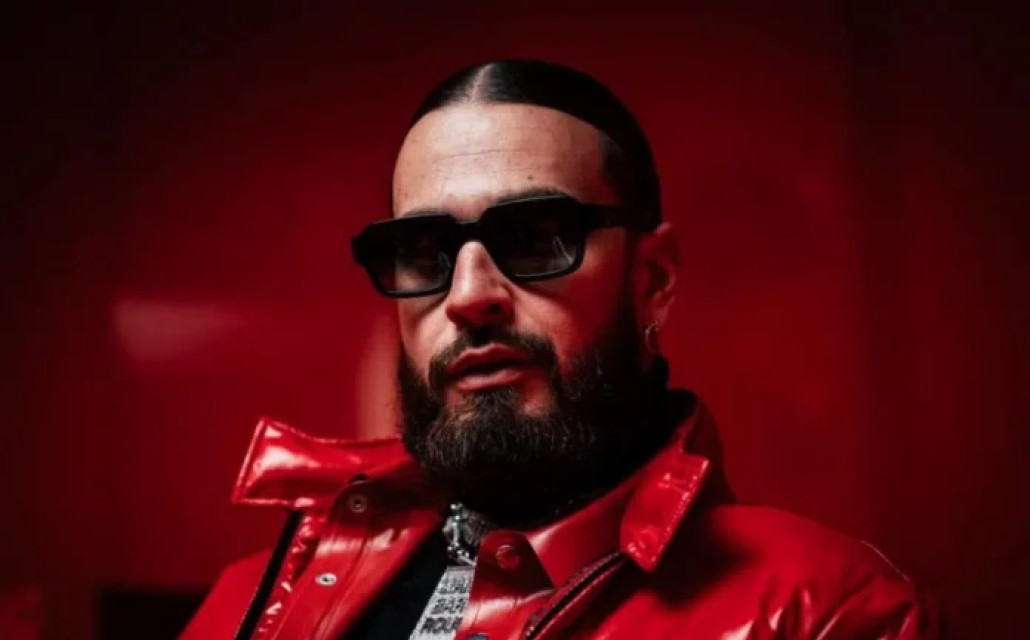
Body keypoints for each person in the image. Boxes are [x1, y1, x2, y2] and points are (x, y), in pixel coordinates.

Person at [181, 60, 937, 640]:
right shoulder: (248, 602)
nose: (469, 295)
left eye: (535, 237)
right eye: (423, 250)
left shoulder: (823, 613)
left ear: (652, 280)